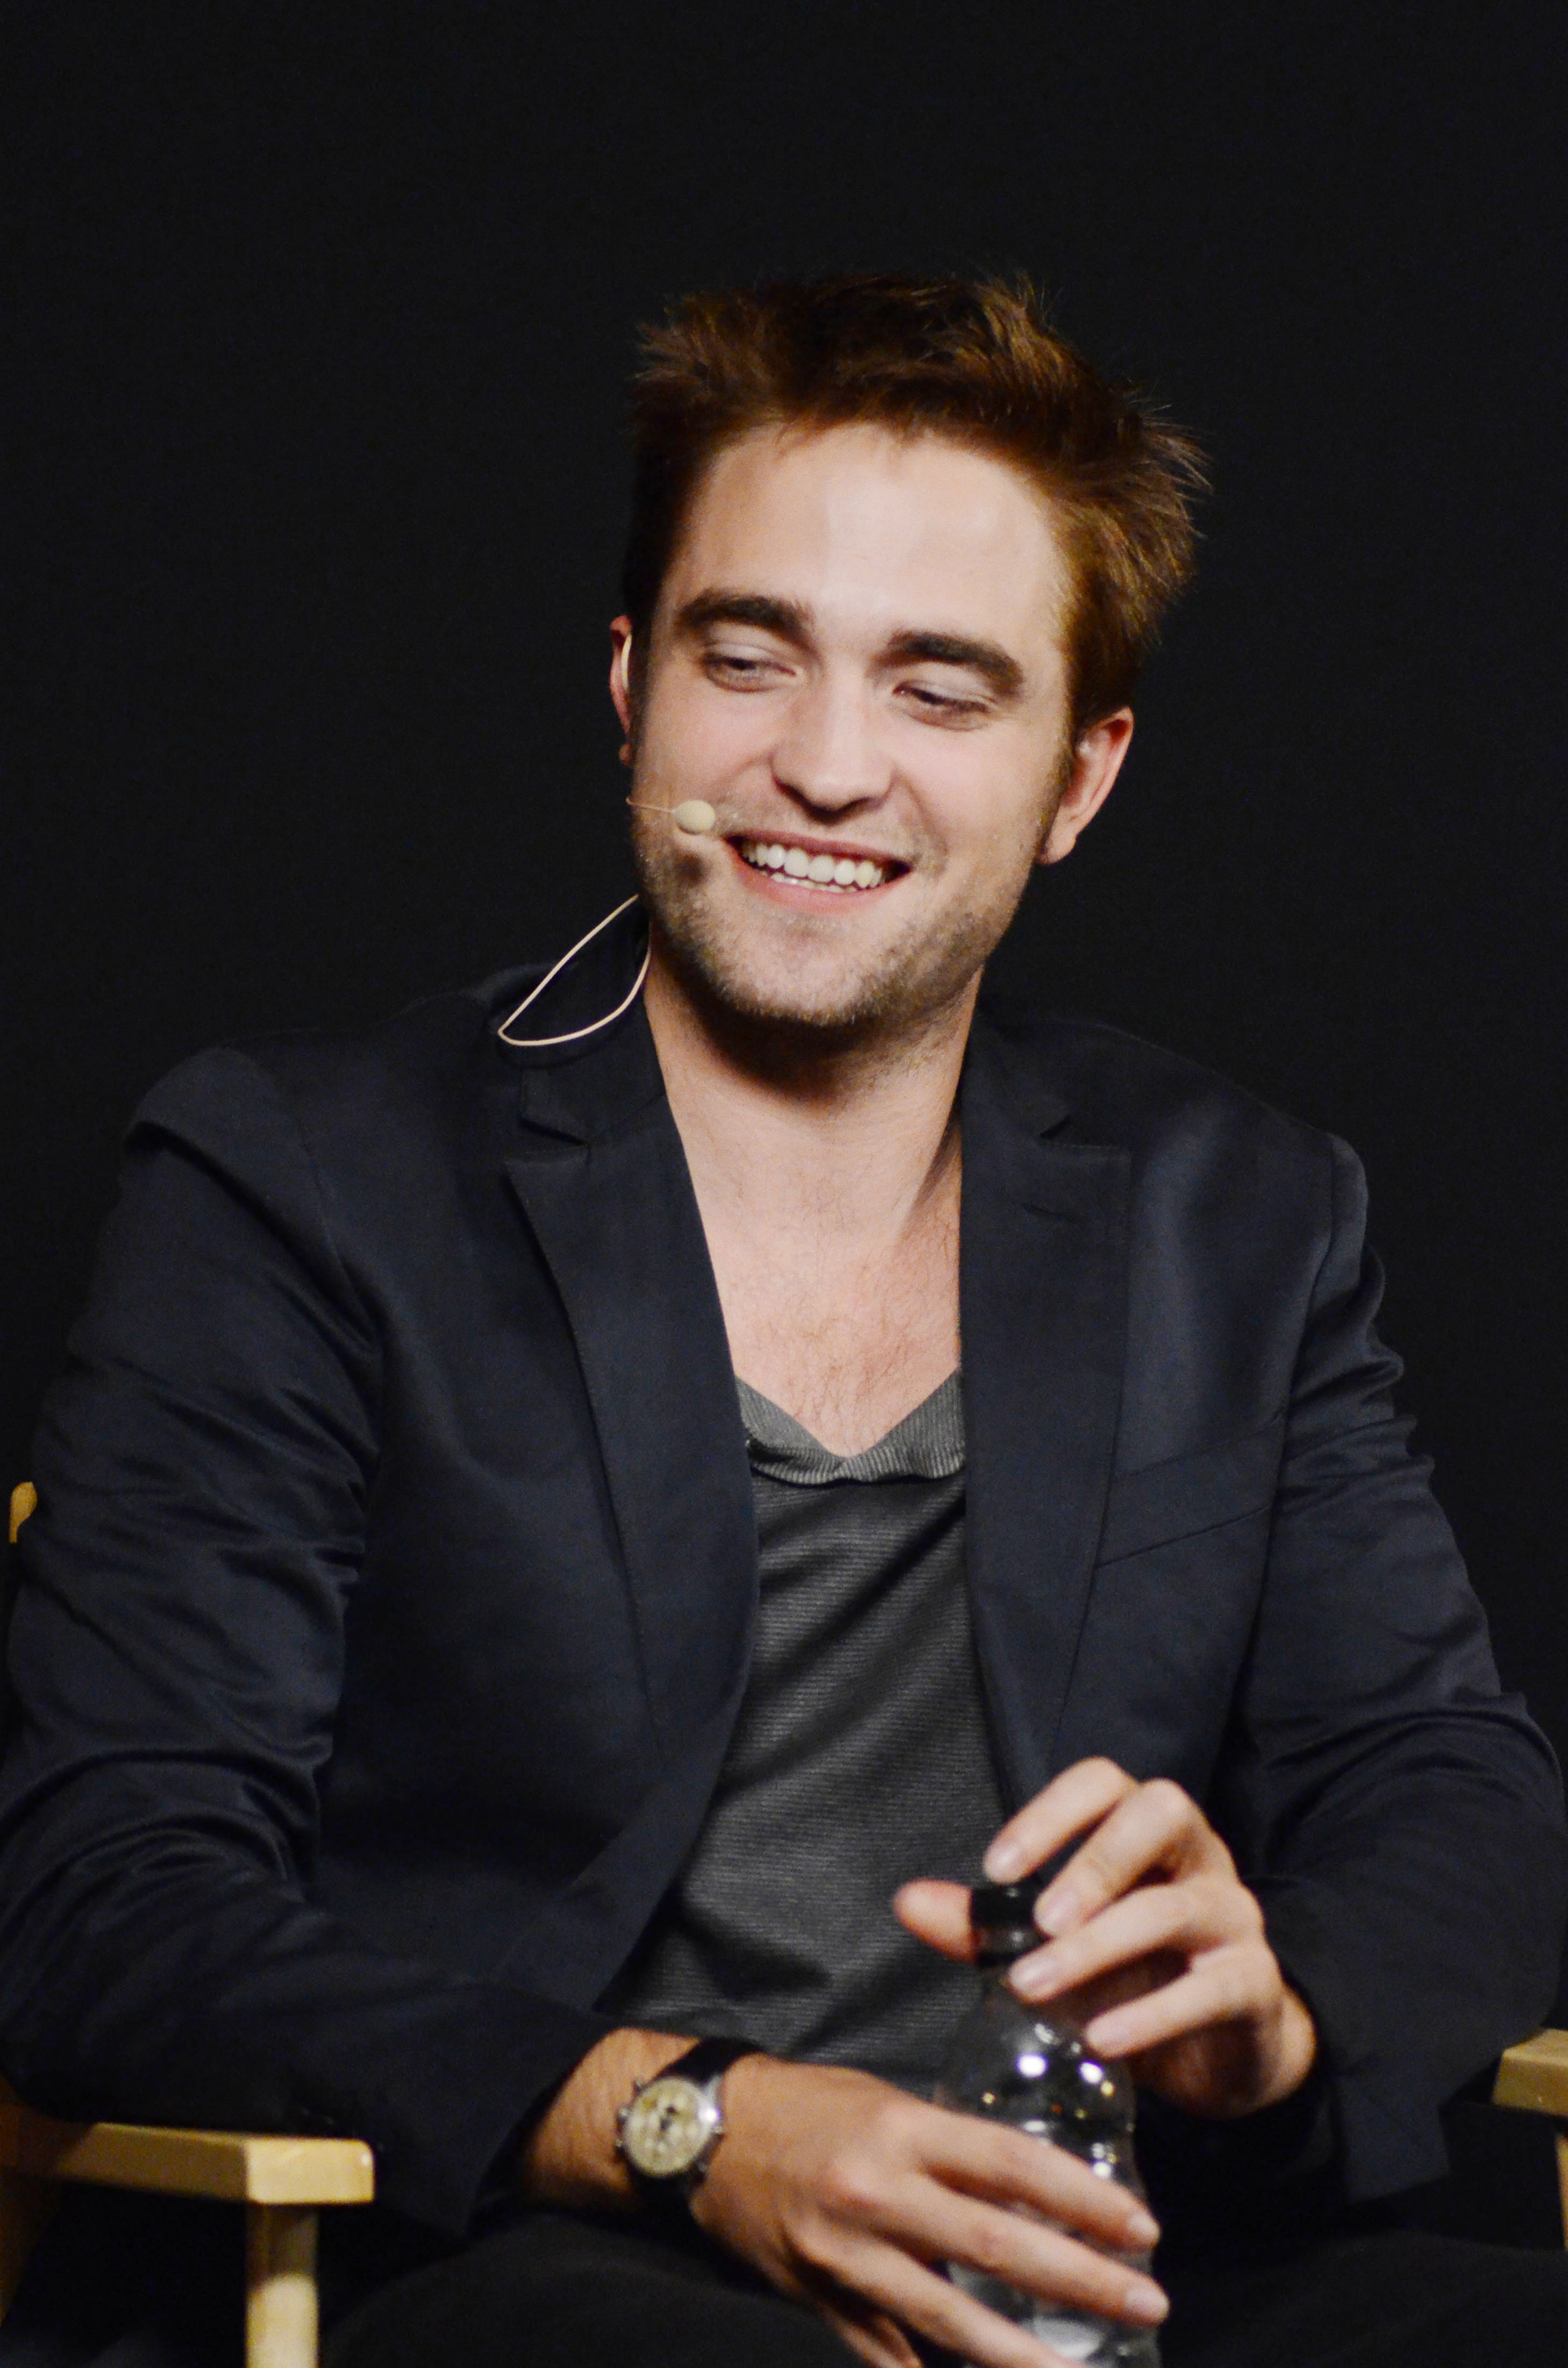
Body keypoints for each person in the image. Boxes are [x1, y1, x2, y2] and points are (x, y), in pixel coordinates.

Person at [1, 275, 1564, 2368]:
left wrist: (1274, 2016)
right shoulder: (297, 1177)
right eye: (749, 658)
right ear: (631, 685)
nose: (824, 767)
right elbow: (109, 1898)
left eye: (942, 690)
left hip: (1088, 2258)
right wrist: (688, 2122)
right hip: (497, 2259)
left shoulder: (1242, 1213)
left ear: (1080, 774)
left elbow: (1449, 1792)